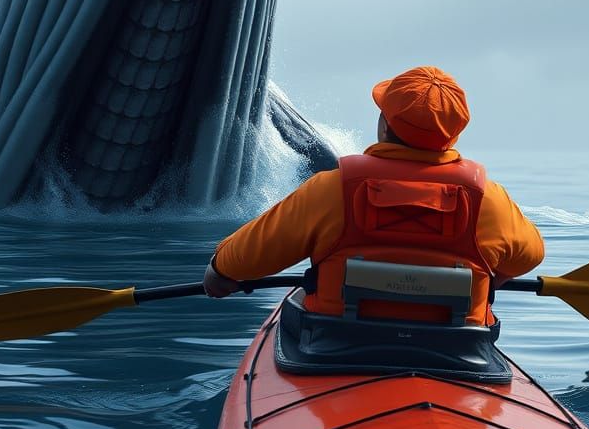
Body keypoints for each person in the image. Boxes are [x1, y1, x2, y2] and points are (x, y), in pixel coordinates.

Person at [203, 66, 544, 327]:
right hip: (459, 351)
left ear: (385, 124)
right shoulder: (488, 200)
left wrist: (219, 273)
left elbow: (238, 262)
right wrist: (492, 279)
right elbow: (530, 257)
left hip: (334, 344)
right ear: (453, 134)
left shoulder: (332, 189)